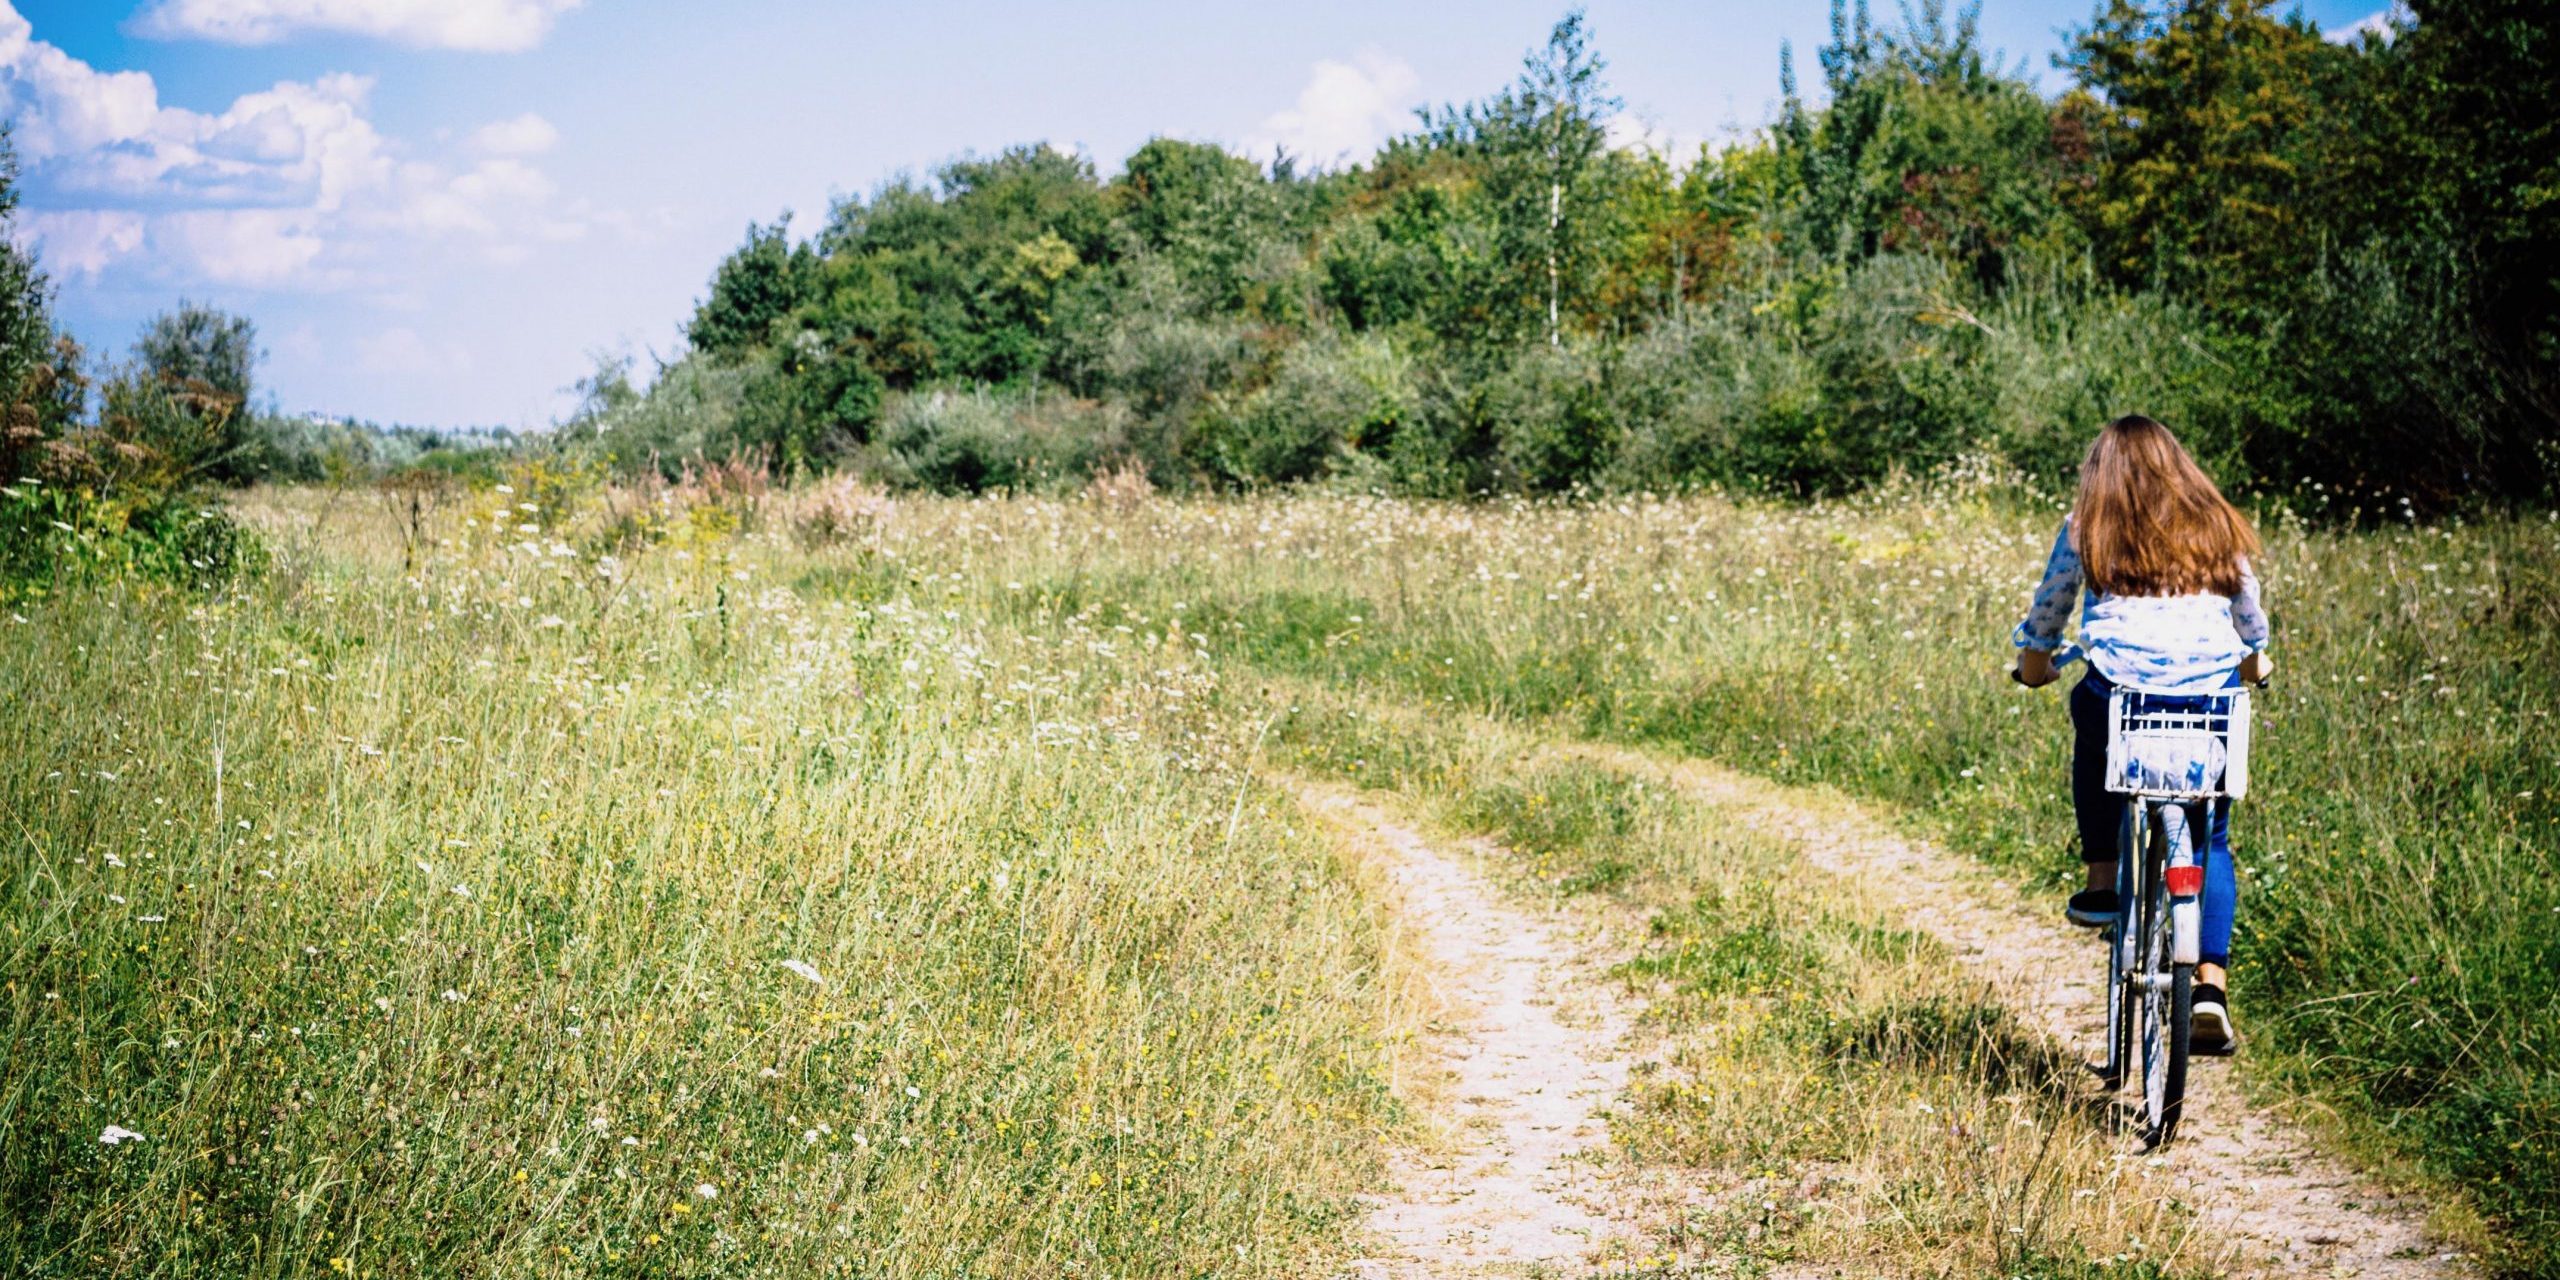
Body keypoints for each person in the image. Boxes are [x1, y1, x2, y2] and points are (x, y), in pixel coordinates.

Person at [2011, 415, 2273, 1055]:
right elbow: (2248, 616)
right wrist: (2255, 657)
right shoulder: (2216, 523)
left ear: (2100, 472)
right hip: (2210, 698)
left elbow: (2051, 607)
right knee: (2210, 831)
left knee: (2089, 718)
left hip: (2123, 694)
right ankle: (2210, 985)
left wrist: (2035, 662)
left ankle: (2103, 881)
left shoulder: (2087, 527)